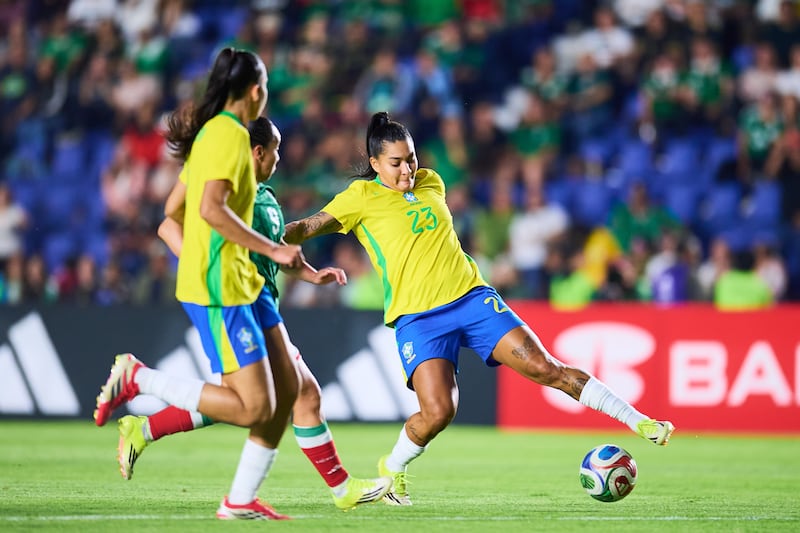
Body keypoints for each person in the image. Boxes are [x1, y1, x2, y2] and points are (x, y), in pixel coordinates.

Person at [283, 112, 676, 506]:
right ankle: (394, 467)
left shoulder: (431, 181)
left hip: (472, 298)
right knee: (438, 412)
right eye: (396, 163)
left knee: (546, 368)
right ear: (374, 164)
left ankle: (638, 421)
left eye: (412, 158)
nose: (407, 170)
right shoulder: (359, 199)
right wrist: (264, 234)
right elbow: (307, 228)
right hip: (418, 318)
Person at [116, 117, 391, 511]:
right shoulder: (226, 195)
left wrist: (312, 275)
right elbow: (167, 227)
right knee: (263, 399)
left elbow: (275, 247)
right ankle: (335, 489)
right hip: (236, 302)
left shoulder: (261, 195)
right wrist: (202, 270)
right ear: (258, 152)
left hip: (262, 306)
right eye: (276, 150)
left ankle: (146, 428)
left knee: (282, 396)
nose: (280, 158)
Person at [93, 47, 308, 520]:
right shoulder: (228, 136)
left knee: (287, 389)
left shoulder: (215, 134)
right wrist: (269, 249)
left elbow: (172, 212)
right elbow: (210, 209)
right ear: (256, 91)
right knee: (255, 407)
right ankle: (138, 378)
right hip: (222, 287)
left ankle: (241, 500)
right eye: (265, 87)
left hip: (241, 279)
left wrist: (203, 253)